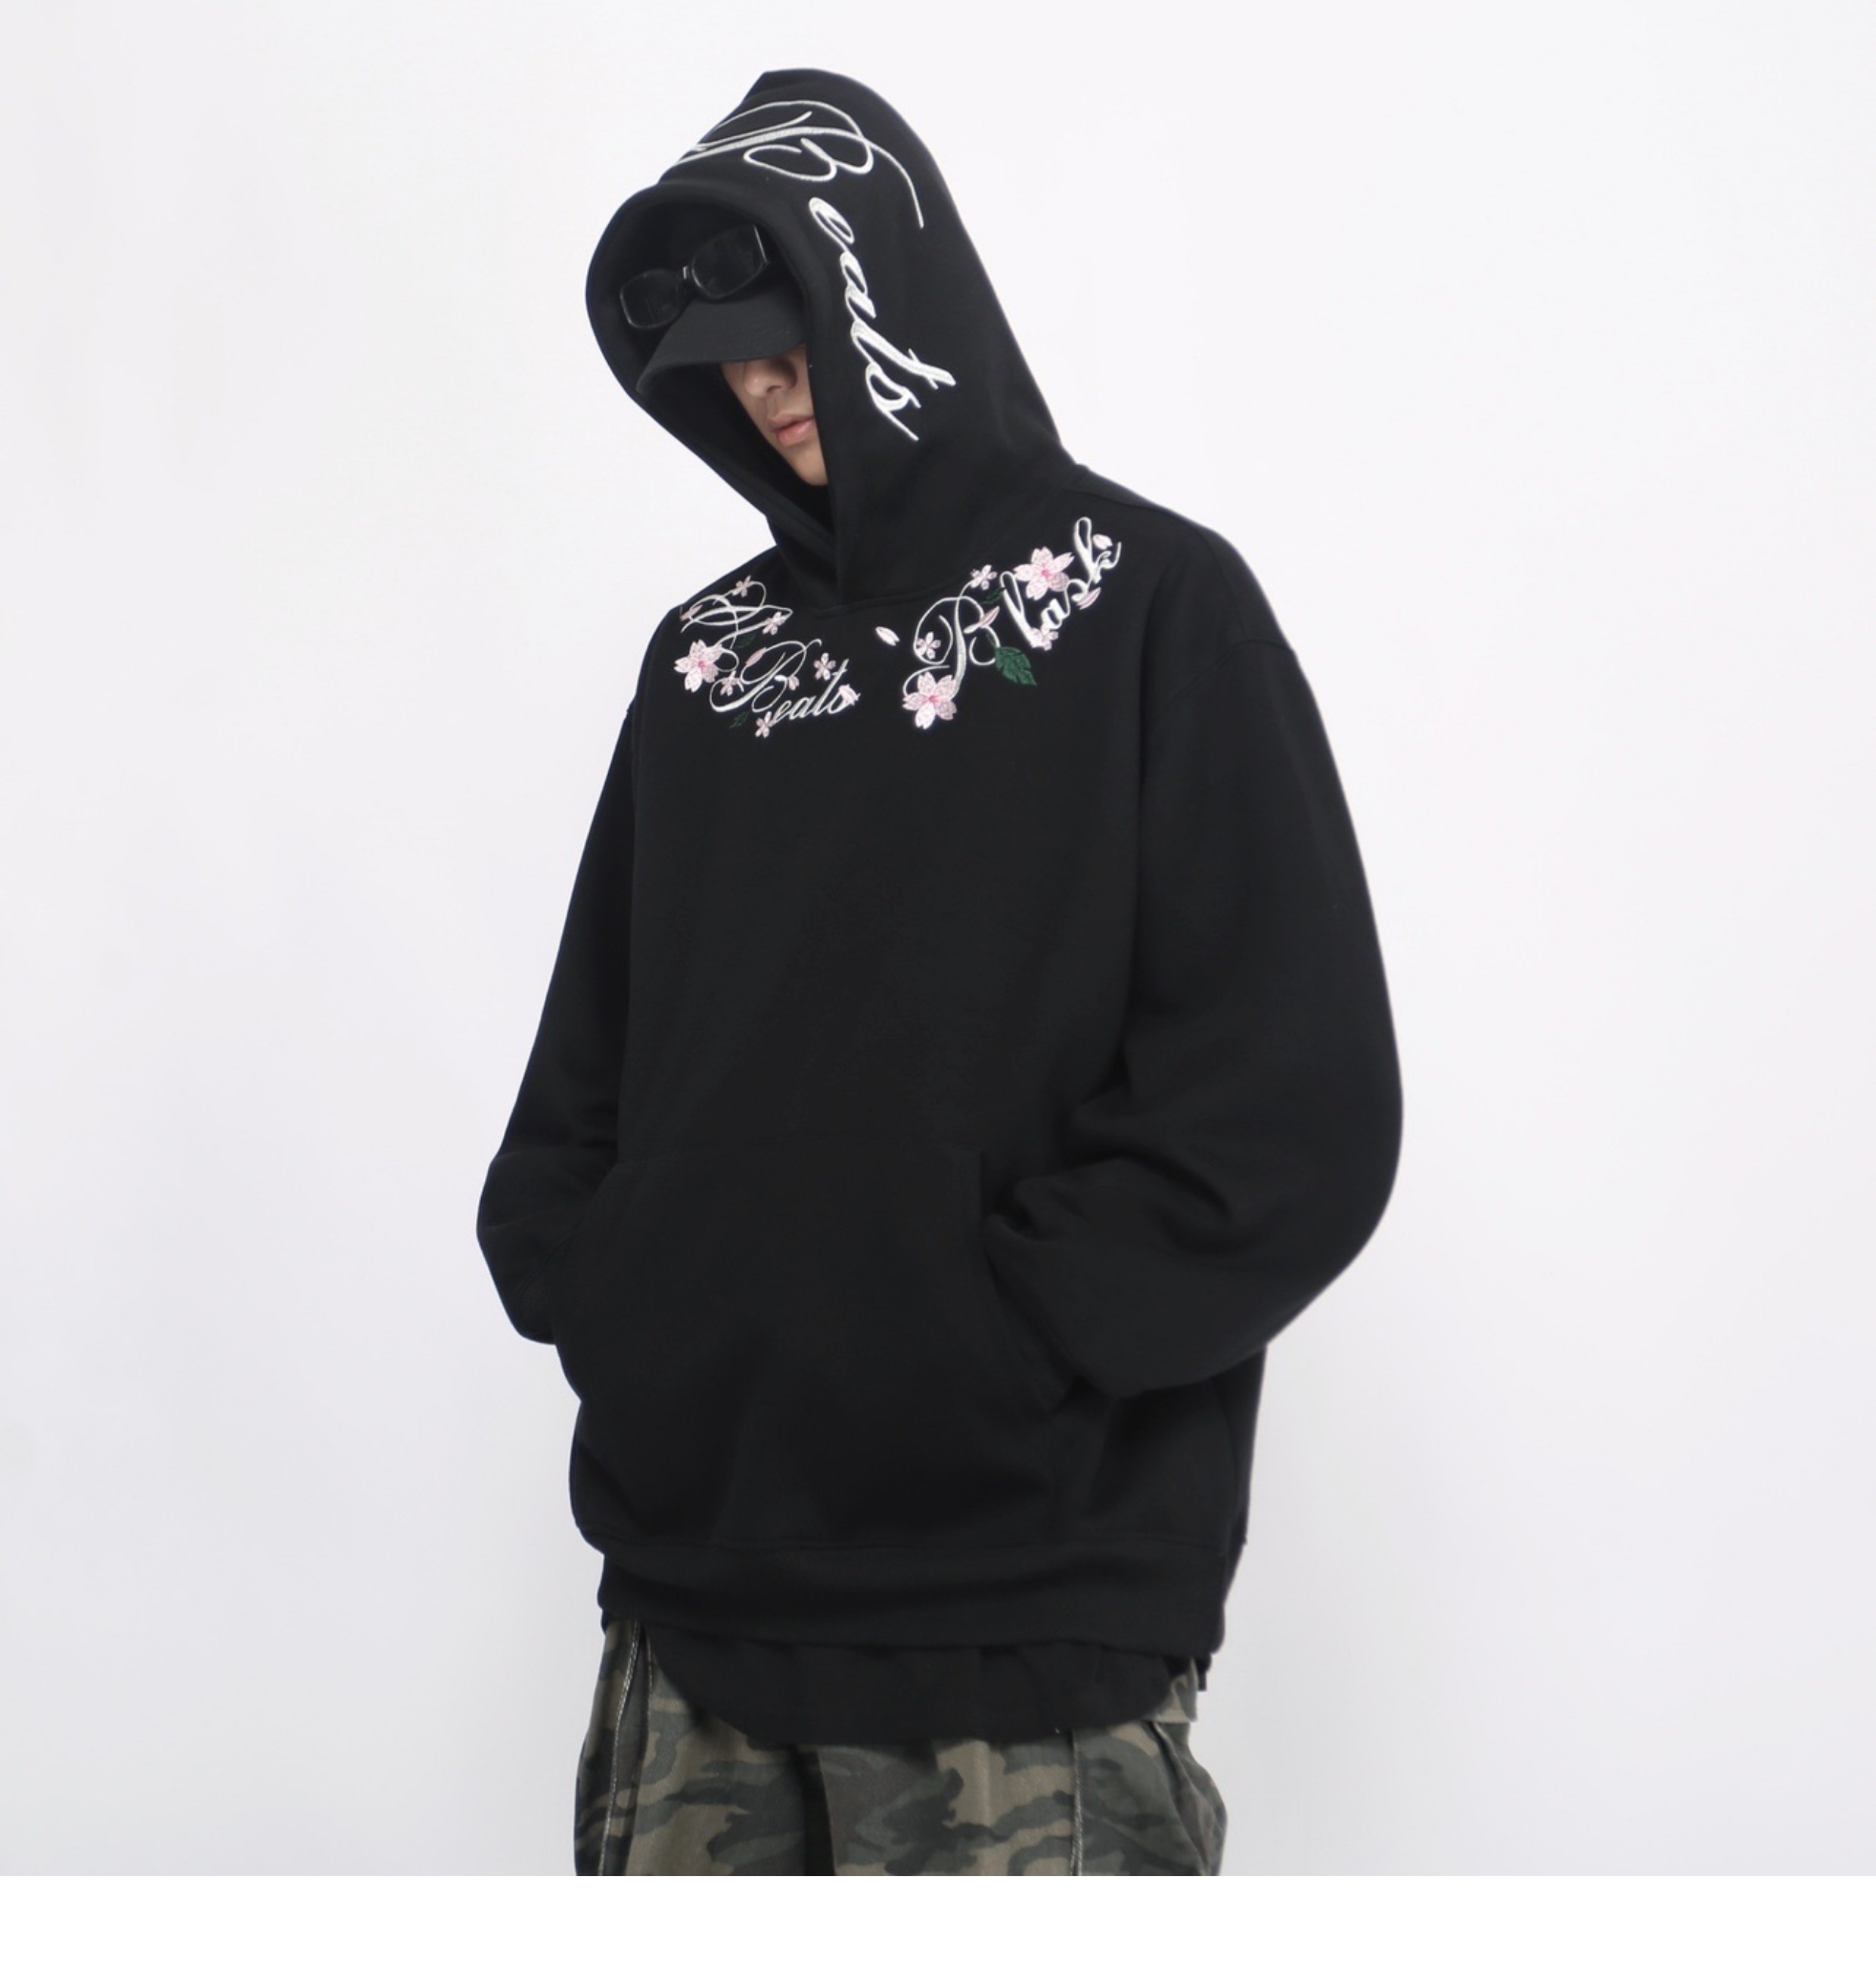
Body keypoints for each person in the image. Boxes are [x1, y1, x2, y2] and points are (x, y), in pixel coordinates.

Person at [476, 67, 1403, 1875]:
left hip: (1022, 1638)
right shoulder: (704, 665)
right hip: (690, 1615)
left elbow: (1290, 1115)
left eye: (791, 345)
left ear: (890, 303)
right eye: (731, 370)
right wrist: (634, 1304)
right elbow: (582, 1083)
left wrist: (990, 1337)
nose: (769, 395)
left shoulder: (1153, 609)